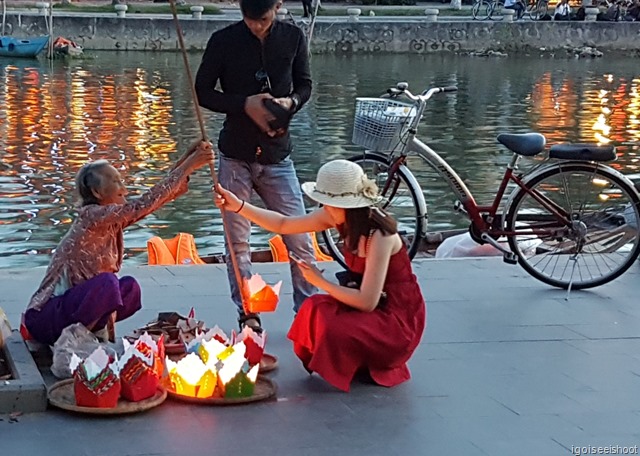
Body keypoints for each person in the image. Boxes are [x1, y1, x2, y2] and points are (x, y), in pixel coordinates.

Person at [214, 160, 427, 392]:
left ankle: (368, 361)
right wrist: (238, 206)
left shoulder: (380, 236)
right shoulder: (336, 217)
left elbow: (367, 301)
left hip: (396, 319)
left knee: (335, 327)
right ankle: (355, 359)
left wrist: (320, 282)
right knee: (313, 308)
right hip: (372, 304)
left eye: (328, 203)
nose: (323, 208)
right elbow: (284, 224)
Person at [195, 0, 317, 333]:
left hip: (278, 155)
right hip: (236, 153)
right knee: (237, 242)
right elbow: (202, 91)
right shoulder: (223, 40)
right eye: (249, 20)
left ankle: (308, 309)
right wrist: (243, 104)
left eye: (262, 20)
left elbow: (305, 85)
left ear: (277, 7)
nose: (256, 26)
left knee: (300, 237)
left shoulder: (293, 37)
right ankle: (248, 312)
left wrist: (290, 103)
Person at [23, 141, 215, 346]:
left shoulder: (111, 221)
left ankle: (90, 333)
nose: (123, 188)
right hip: (44, 317)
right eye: (115, 181)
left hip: (72, 306)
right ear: (97, 193)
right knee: (108, 283)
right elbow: (142, 205)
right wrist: (188, 165)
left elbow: (153, 203)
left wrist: (187, 160)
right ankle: (78, 338)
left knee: (129, 288)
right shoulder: (92, 216)